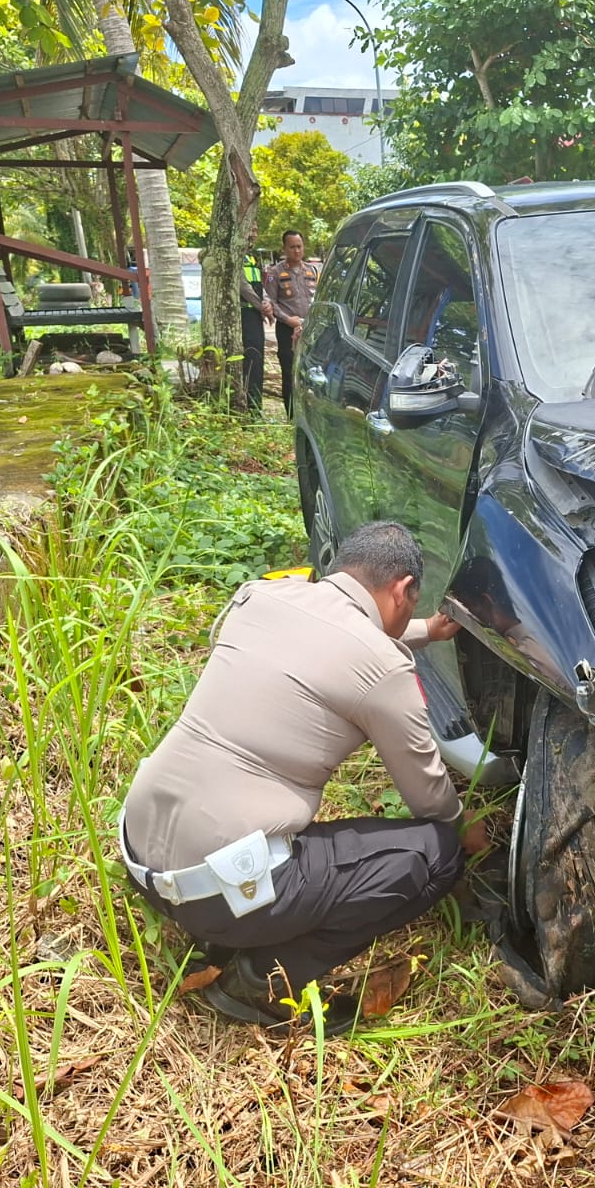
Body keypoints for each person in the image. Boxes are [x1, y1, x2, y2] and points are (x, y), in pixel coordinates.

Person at [119, 522, 487, 1034]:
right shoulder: (384, 669)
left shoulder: (261, 597)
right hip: (220, 893)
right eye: (411, 604)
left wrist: (426, 629)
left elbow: (337, 636)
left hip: (140, 854)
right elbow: (428, 796)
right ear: (403, 589)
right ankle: (264, 980)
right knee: (435, 853)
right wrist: (465, 827)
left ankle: (221, 935)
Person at [264, 230, 320, 410]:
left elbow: (319, 298)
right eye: (292, 247)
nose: (297, 251)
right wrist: (288, 319)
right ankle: (291, 414)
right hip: (287, 329)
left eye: (299, 246)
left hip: (310, 329)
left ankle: (309, 412)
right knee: (289, 372)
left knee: (311, 371)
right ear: (284, 249)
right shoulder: (275, 273)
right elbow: (271, 300)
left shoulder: (312, 270)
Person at [237, 223, 274, 413]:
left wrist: (266, 303)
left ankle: (256, 407)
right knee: (249, 361)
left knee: (257, 362)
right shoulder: (236, 256)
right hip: (244, 317)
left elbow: (260, 285)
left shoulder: (253, 257)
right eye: (250, 229)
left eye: (255, 230)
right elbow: (243, 287)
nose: (253, 234)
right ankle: (249, 407)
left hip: (256, 317)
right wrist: (262, 307)